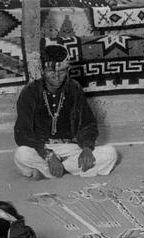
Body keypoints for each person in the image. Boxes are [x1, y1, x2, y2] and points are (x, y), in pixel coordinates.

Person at [13, 42, 117, 180]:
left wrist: (86, 148)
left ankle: (49, 171)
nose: (56, 76)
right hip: (41, 147)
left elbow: (88, 123)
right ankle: (65, 168)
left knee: (110, 153)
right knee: (21, 154)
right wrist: (48, 154)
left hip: (71, 147)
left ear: (67, 70)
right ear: (42, 70)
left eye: (61, 71)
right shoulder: (30, 91)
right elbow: (22, 132)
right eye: (51, 71)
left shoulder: (74, 88)